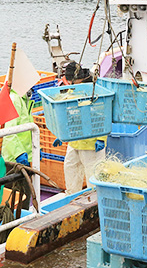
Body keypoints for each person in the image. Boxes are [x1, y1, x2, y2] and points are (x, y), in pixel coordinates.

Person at [53, 61, 106, 194]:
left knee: (93, 179)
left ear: (78, 78)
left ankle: (94, 206)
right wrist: (61, 133)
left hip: (91, 143)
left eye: (71, 81)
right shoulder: (73, 89)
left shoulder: (94, 90)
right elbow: (68, 113)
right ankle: (72, 198)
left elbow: (103, 113)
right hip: (74, 141)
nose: (70, 83)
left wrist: (101, 138)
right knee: (70, 170)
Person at [2, 91, 34, 166]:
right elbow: (8, 132)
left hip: (23, 155)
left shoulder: (25, 99)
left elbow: (28, 129)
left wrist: (35, 148)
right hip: (13, 159)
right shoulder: (15, 99)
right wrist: (18, 154)